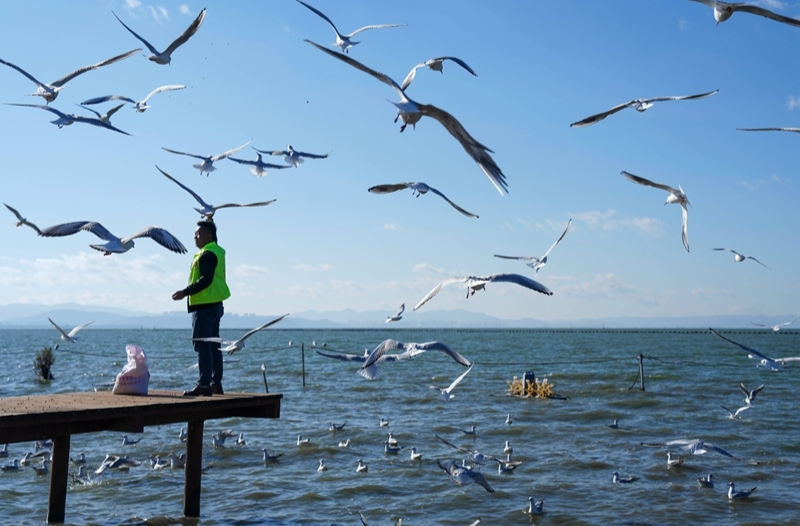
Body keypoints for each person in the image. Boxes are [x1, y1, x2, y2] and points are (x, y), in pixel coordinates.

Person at [172, 220, 230, 396]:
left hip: (204, 306)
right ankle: (215, 384)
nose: (195, 237)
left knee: (202, 345)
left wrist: (185, 292)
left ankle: (204, 384)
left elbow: (206, 279)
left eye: (198, 234)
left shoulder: (207, 254)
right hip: (215, 304)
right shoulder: (216, 250)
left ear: (208, 236)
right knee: (213, 345)